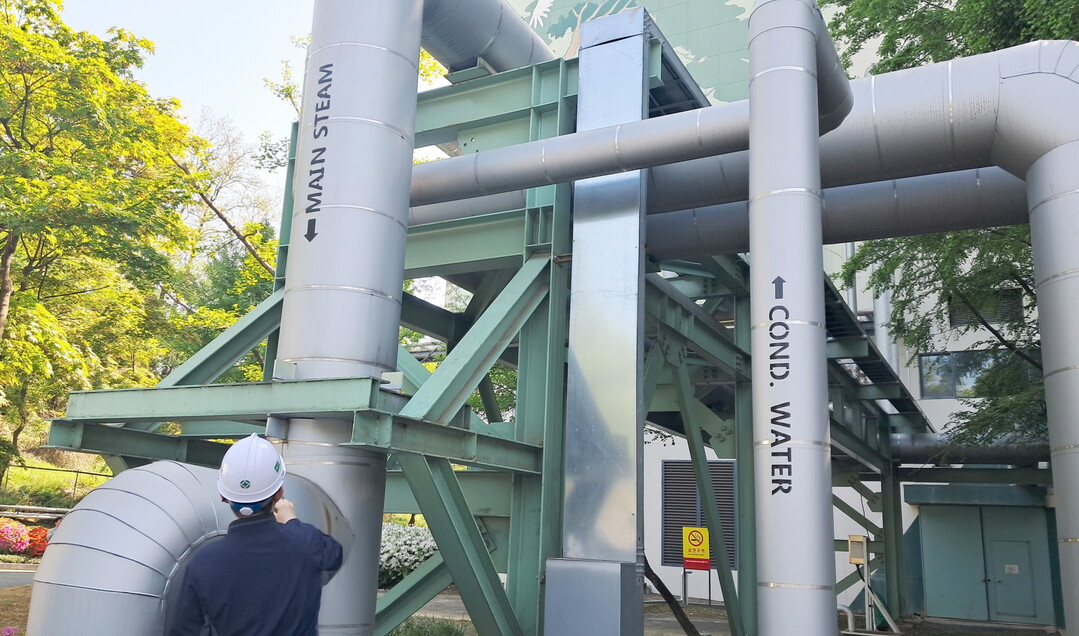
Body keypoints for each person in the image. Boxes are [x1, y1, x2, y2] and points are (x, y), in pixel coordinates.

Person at [169, 434, 343, 636]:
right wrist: (291, 521)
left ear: (223, 496)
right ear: (279, 493)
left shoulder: (203, 562)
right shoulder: (305, 542)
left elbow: (184, 630)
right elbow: (335, 555)